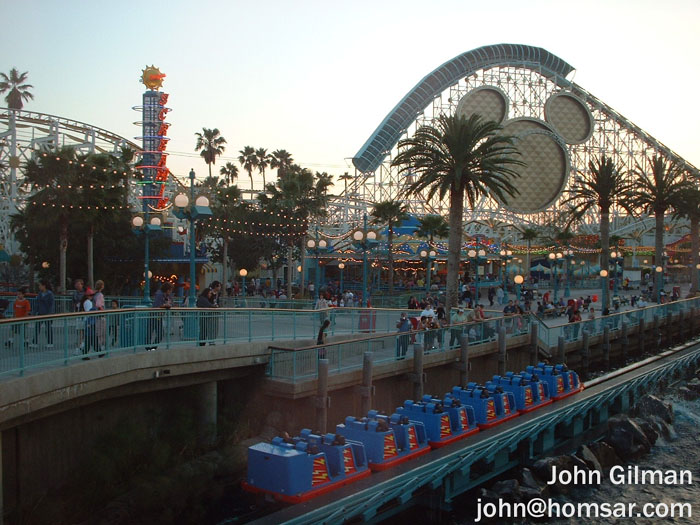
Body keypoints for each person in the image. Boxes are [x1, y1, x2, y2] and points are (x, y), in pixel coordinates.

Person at [148, 282, 174, 350]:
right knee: (150, 332)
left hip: (159, 316)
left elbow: (171, 302)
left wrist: (169, 303)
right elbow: (156, 306)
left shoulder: (167, 296)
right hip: (154, 315)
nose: (170, 292)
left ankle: (153, 347)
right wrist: (165, 305)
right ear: (167, 289)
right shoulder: (159, 294)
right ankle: (148, 347)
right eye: (170, 290)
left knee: (160, 333)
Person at [34, 279, 55, 347]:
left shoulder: (50, 294)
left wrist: (50, 313)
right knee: (37, 328)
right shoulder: (39, 294)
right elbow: (37, 304)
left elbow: (51, 304)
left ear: (44, 286)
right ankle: (35, 342)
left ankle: (50, 342)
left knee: (48, 328)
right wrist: (34, 312)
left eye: (40, 285)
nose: (39, 287)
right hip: (40, 313)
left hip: (47, 313)